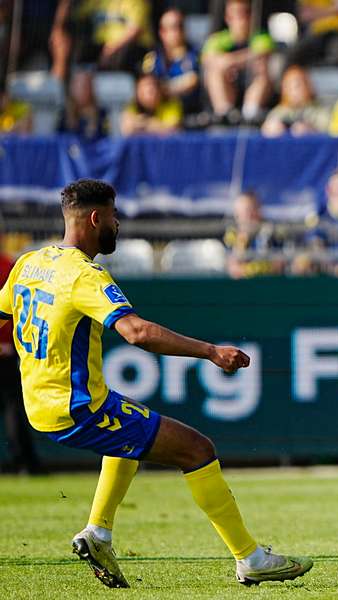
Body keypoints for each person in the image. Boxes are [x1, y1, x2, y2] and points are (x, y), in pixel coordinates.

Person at [0, 180, 311, 587]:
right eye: (113, 216)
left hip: (40, 405)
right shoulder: (83, 275)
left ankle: (98, 532)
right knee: (197, 449)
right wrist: (210, 351)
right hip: (78, 409)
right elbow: (138, 332)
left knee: (132, 431)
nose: (117, 224)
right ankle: (250, 558)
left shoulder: (29, 263)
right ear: (96, 219)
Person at [0, 243, 43, 475]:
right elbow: (22, 308)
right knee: (13, 409)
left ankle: (25, 462)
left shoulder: (11, 265)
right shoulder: (9, 266)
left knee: (13, 409)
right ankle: (26, 463)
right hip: (5, 352)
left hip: (6, 350)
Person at [201, 0, 275, 124]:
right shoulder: (217, 39)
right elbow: (207, 59)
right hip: (229, 88)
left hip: (252, 87)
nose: (242, 18)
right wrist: (244, 59)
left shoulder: (261, 36)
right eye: (237, 14)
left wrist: (228, 62)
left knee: (262, 67)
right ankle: (224, 115)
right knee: (213, 72)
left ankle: (250, 114)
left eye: (246, 13)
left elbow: (263, 53)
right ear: (227, 18)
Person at [50, 0, 153, 80]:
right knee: (82, 53)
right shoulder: (97, 2)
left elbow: (135, 31)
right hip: (103, 46)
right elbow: (76, 14)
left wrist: (111, 49)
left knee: (121, 57)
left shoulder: (135, 2)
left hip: (131, 47)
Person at [142, 8, 202, 116]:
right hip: (159, 115)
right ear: (162, 32)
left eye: (180, 26)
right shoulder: (152, 58)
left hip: (191, 115)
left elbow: (192, 81)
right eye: (173, 27)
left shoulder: (195, 54)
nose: (177, 31)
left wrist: (162, 88)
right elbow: (146, 87)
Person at [224, 191, 287, 278]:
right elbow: (232, 268)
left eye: (252, 209)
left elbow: (280, 264)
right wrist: (241, 240)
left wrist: (259, 269)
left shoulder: (272, 232)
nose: (249, 216)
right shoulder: (232, 234)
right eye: (244, 211)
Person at [261, 65, 331, 137]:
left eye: (298, 85)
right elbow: (265, 132)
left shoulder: (320, 111)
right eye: (288, 86)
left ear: (309, 86)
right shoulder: (278, 112)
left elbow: (330, 132)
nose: (294, 90)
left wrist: (311, 131)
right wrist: (270, 130)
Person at [57, 70, 109, 140]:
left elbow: (106, 140)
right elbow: (59, 140)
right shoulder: (64, 114)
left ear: (91, 88)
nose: (81, 90)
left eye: (85, 86)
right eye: (77, 86)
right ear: (72, 89)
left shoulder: (101, 114)